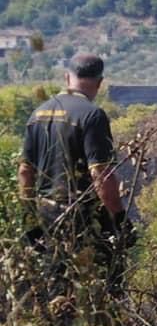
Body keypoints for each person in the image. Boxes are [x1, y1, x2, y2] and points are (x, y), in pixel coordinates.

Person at [17, 53, 130, 297]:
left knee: (58, 288)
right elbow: (101, 175)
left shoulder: (38, 114)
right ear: (100, 83)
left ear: (67, 77)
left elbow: (25, 171)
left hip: (47, 216)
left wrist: (30, 218)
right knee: (105, 289)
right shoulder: (92, 115)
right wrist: (119, 218)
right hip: (84, 218)